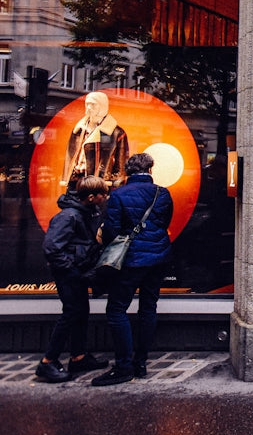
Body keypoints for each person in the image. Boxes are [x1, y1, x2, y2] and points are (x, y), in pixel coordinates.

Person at [92, 153, 173, 386]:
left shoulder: (118, 195)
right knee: (148, 307)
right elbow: (163, 223)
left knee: (117, 309)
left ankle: (124, 365)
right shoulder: (162, 193)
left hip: (130, 260)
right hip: (158, 258)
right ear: (150, 169)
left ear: (128, 171)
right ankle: (141, 362)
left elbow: (111, 231)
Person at [35, 174, 110, 382]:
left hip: (78, 272)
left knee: (80, 312)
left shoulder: (86, 212)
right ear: (92, 196)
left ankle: (78, 356)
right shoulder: (68, 216)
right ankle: (48, 362)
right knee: (71, 313)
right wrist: (71, 268)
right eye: (103, 194)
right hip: (69, 274)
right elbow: (51, 247)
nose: (106, 197)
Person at [62, 91, 129, 189]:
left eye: (93, 104)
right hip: (76, 182)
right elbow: (69, 156)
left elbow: (121, 165)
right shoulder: (78, 130)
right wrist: (67, 178)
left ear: (102, 106)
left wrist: (112, 183)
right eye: (87, 104)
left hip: (99, 185)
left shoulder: (116, 133)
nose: (89, 107)